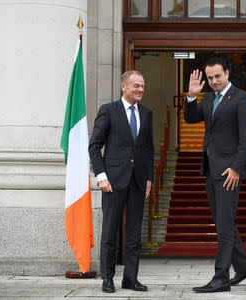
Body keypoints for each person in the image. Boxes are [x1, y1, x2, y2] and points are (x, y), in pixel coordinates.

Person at [184, 55, 246, 293]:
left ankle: (221, 277)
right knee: (223, 222)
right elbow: (190, 118)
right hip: (211, 168)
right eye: (209, 77)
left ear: (227, 73)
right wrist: (192, 96)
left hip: (229, 171)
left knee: (225, 225)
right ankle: (245, 267)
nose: (214, 81)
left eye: (217, 76)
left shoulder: (242, 99)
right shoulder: (207, 99)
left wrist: (237, 168)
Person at [88, 70, 154, 293]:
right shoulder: (108, 110)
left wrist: (149, 178)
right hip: (113, 181)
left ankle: (130, 279)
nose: (140, 89)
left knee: (134, 234)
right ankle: (108, 278)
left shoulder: (147, 113)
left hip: (137, 182)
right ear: (123, 86)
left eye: (142, 86)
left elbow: (148, 149)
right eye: (136, 85)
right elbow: (94, 146)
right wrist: (101, 177)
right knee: (109, 232)